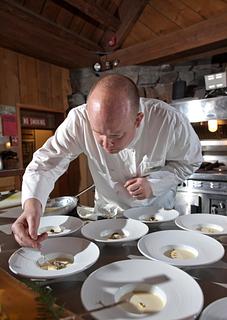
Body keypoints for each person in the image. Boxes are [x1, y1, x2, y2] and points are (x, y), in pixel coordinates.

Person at [12, 74, 202, 248]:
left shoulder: (168, 121)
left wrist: (154, 183)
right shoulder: (79, 120)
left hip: (156, 215)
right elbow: (46, 163)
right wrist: (32, 205)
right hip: (108, 215)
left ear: (138, 119)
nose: (106, 144)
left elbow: (190, 161)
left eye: (116, 135)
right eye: (98, 133)